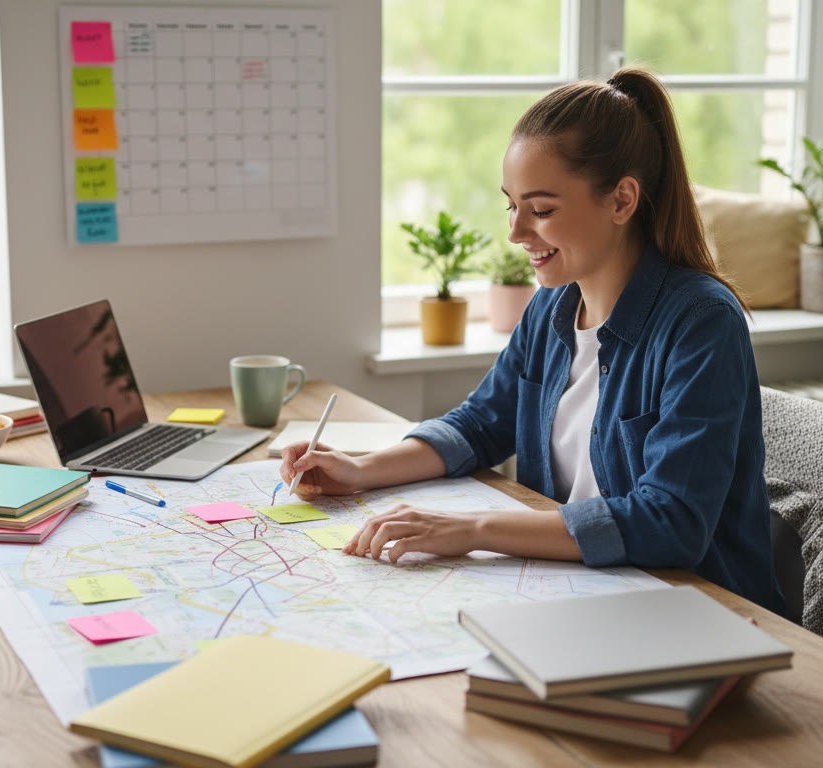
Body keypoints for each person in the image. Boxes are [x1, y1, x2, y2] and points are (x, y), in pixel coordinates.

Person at [279, 68, 789, 615]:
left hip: (697, 611)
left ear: (622, 201)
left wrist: (471, 528)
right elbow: (480, 424)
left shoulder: (701, 321)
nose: (517, 233)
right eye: (512, 205)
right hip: (584, 593)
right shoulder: (553, 303)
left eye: (541, 210)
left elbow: (672, 523)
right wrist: (361, 470)